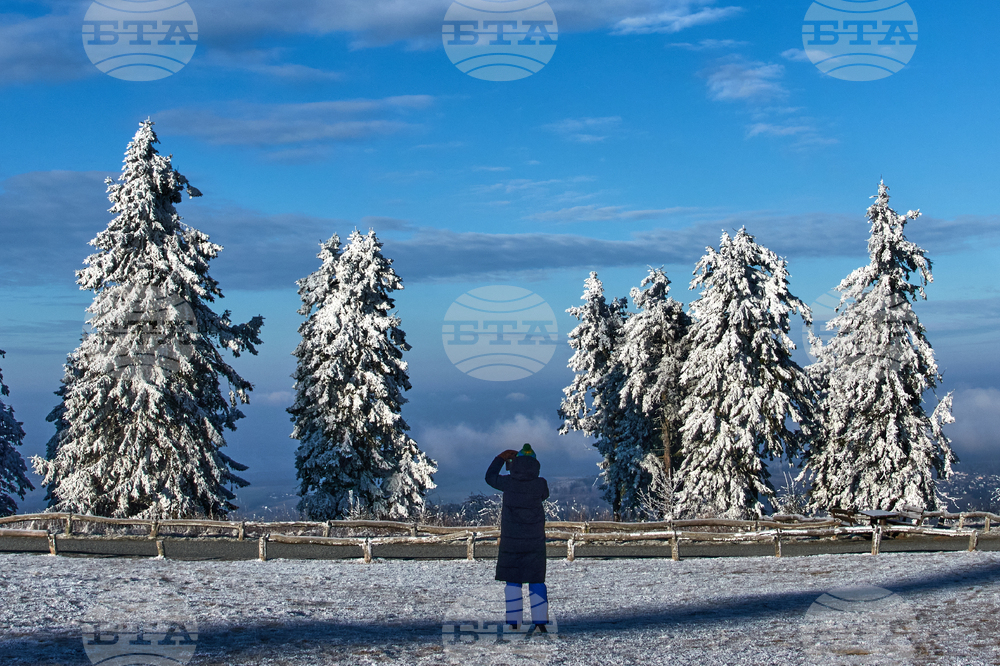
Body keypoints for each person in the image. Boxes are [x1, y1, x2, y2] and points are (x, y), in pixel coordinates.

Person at [485, 443, 550, 632]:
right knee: (537, 581)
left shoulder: (508, 483)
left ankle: (513, 622)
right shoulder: (540, 484)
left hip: (511, 541)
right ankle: (540, 622)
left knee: (513, 581)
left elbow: (489, 477)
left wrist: (501, 458)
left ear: (515, 463)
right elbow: (544, 495)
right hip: (535, 541)